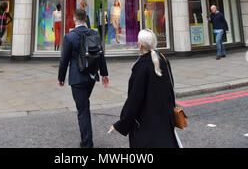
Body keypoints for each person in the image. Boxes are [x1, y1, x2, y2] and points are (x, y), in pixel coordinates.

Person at [109, 28, 179, 148]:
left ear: (140, 44)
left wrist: (121, 123)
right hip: (164, 120)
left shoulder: (141, 66)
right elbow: (170, 89)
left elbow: (134, 99)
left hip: (146, 125)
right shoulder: (163, 59)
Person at [58, 8, 110, 148]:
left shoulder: (69, 37)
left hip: (77, 78)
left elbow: (64, 60)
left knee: (83, 110)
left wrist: (61, 77)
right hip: (92, 76)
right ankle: (86, 140)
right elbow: (101, 55)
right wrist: (104, 74)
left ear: (74, 19)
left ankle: (87, 143)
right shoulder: (94, 33)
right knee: (84, 104)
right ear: (86, 18)